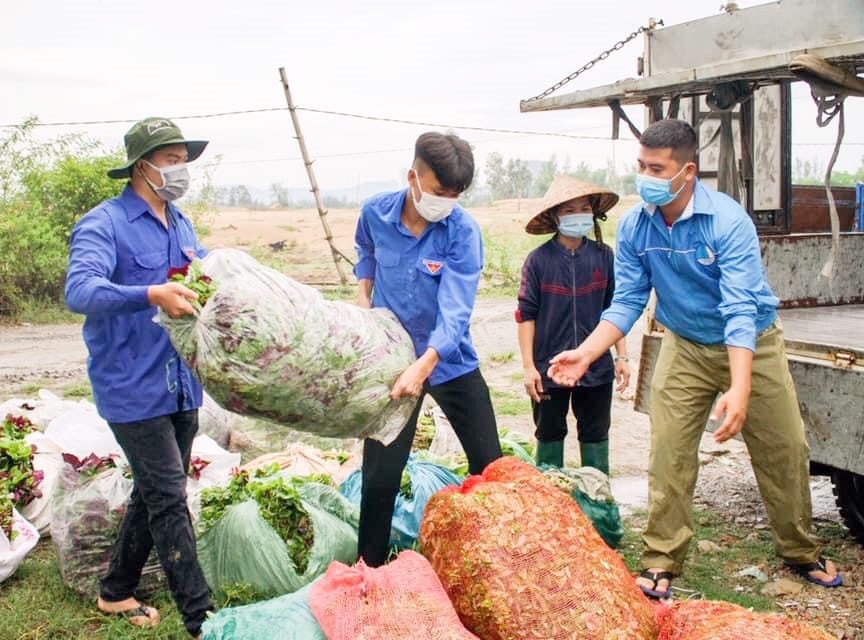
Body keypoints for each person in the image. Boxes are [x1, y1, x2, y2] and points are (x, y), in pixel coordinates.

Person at [547, 119, 841, 598]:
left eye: (656, 168)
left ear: (687, 171)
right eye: (640, 165)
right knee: (669, 452)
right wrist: (586, 352)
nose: (645, 176)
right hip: (685, 345)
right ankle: (662, 558)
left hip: (753, 344)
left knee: (784, 450)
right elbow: (627, 301)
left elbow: (740, 308)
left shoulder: (727, 222)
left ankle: (800, 549)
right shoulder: (637, 225)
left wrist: (740, 386)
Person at [65, 117, 214, 638]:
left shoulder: (181, 222)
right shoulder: (103, 224)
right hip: (131, 385)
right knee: (170, 497)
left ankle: (115, 590)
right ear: (142, 167)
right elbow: (80, 290)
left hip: (179, 380)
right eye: (170, 161)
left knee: (154, 492)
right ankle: (202, 617)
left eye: (182, 161)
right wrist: (150, 293)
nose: (180, 171)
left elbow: (196, 281)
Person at [353, 131, 503, 567]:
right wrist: (364, 292)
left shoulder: (462, 231)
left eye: (456, 195)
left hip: (450, 361)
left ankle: (495, 557)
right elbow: (365, 250)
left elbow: (456, 311)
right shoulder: (375, 213)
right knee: (380, 476)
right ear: (413, 178)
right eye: (440, 192)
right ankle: (371, 570)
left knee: (489, 466)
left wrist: (427, 363)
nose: (447, 202)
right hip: (393, 362)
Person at [516, 176, 630, 473]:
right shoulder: (538, 261)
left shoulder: (604, 256)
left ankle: (597, 507)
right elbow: (526, 315)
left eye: (583, 208)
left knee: (595, 434)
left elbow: (615, 308)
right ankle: (551, 506)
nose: (577, 215)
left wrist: (622, 357)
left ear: (593, 213)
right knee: (549, 433)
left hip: (597, 368)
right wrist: (529, 367)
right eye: (568, 210)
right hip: (549, 368)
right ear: (554, 217)